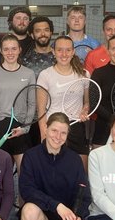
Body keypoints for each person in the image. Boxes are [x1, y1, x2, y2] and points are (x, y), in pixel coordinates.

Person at [18, 113, 89, 220]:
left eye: (63, 133)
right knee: (29, 209)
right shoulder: (31, 156)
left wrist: (79, 216)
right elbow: (26, 190)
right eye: (54, 130)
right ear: (46, 128)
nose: (58, 137)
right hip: (39, 218)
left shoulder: (74, 160)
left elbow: (84, 194)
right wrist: (56, 205)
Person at [37, 36, 91, 166]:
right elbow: (41, 110)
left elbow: (87, 102)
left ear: (73, 52)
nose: (64, 54)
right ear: (53, 51)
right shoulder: (45, 75)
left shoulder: (84, 74)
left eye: (68, 50)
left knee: (80, 173)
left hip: (76, 127)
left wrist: (85, 110)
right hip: (54, 128)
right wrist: (44, 136)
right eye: (60, 50)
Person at [0, 34, 36, 169]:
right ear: (1, 51)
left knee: (24, 174)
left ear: (19, 50)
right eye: (6, 49)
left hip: (20, 128)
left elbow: (31, 104)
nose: (10, 53)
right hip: (0, 127)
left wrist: (25, 128)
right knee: (0, 175)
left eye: (14, 49)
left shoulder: (29, 74)